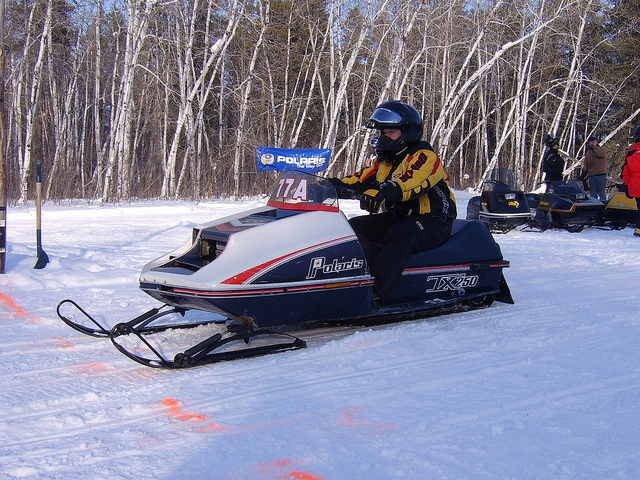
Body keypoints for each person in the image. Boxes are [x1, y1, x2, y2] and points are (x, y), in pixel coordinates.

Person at [331, 100, 457, 303]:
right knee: (353, 227)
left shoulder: (425, 156)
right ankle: (352, 276)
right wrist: (327, 185)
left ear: (407, 132)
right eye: (382, 132)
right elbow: (357, 180)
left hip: (434, 220)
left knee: (400, 236)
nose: (384, 137)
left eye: (391, 132)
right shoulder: (384, 161)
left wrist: (383, 191)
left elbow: (411, 182)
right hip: (399, 216)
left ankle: (374, 295)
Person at [622, 126, 640, 237]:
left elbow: (625, 171)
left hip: (635, 185)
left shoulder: (630, 151)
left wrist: (626, 185)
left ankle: (638, 229)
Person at [583, 136, 608, 202]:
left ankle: (603, 205)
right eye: (590, 142)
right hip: (592, 175)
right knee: (593, 194)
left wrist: (595, 147)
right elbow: (586, 163)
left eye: (593, 142)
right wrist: (583, 173)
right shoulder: (588, 152)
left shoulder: (602, 149)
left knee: (601, 192)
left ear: (596, 142)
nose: (591, 144)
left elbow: (600, 154)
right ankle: (594, 205)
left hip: (601, 174)